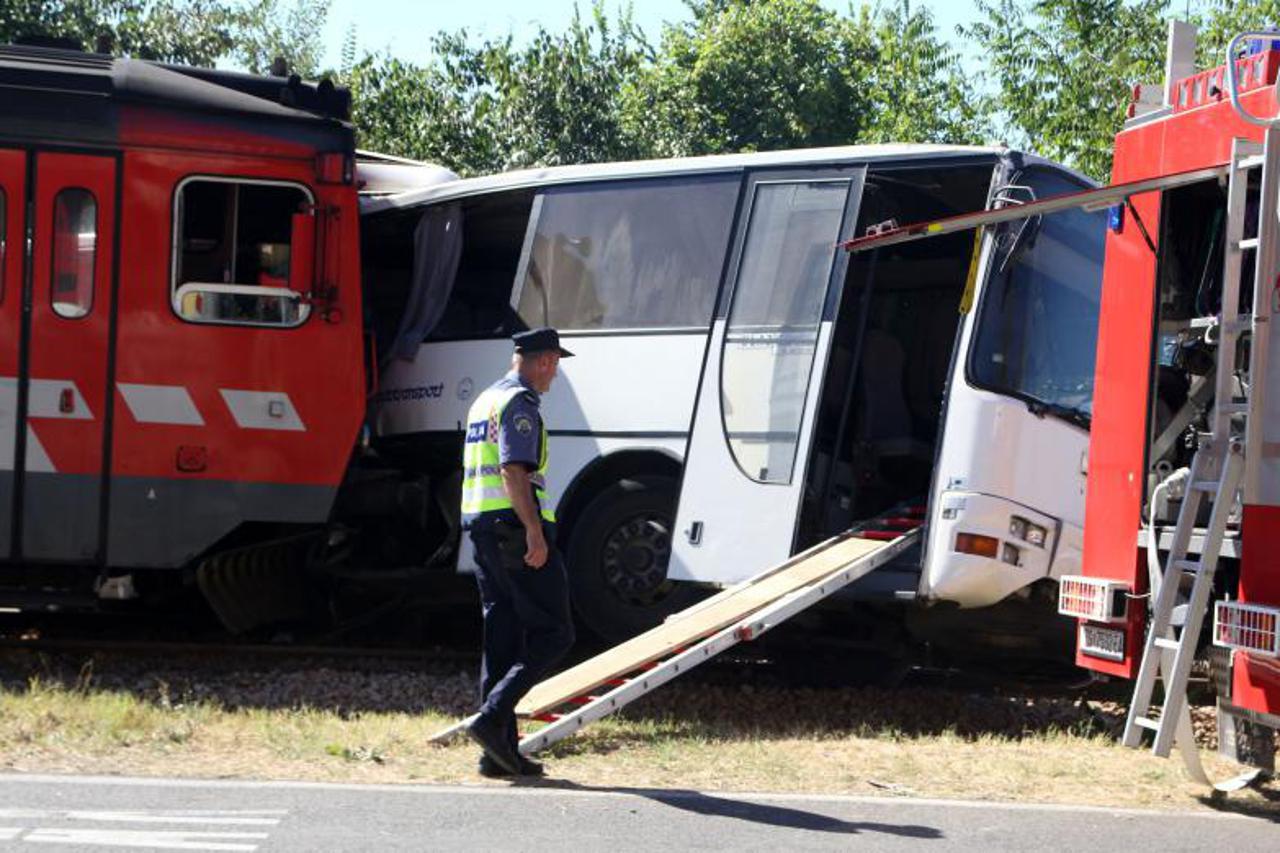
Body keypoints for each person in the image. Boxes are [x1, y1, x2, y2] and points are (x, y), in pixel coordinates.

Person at [461, 327, 576, 777]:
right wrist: (534, 531)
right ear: (544, 360)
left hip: (482, 528)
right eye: (555, 364)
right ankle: (491, 721)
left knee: (502, 634)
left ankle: (498, 754)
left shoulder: (485, 400)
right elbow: (513, 469)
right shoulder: (519, 403)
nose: (554, 375)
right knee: (556, 632)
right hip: (512, 528)